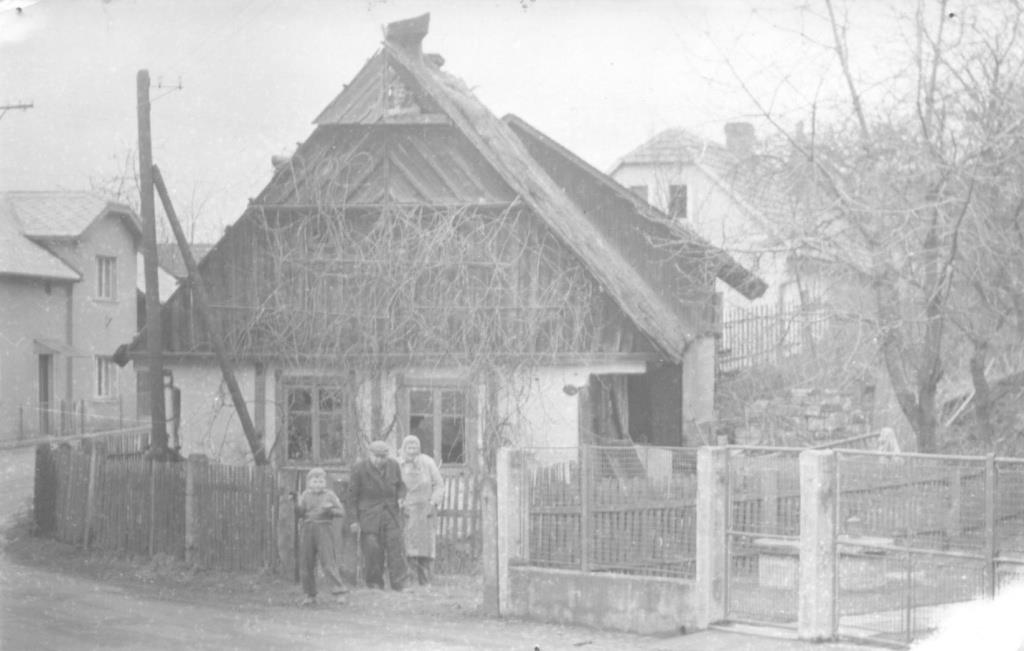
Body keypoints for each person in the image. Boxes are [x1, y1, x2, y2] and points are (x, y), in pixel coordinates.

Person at [347, 439, 407, 590]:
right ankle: (374, 584)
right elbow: (351, 497)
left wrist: (401, 497)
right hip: (369, 515)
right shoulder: (359, 468)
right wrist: (353, 520)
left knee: (395, 547)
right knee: (372, 549)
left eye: (383, 457)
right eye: (377, 457)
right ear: (370, 455)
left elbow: (400, 486)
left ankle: (399, 584)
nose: (380, 460)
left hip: (390, 513)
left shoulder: (394, 465)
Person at [293, 467, 349, 606]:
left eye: (320, 481)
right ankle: (310, 595)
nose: (318, 484)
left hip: (324, 528)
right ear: (309, 483)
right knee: (306, 563)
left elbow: (341, 512)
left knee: (328, 562)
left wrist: (329, 510)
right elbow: (300, 513)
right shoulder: (305, 495)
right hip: (308, 529)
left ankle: (339, 592)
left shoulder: (330, 495)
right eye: (315, 481)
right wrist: (296, 502)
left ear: (325, 482)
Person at [399, 435, 445, 586]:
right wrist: (399, 502)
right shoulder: (398, 464)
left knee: (426, 545)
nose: (412, 451)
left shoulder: (428, 462)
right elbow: (394, 485)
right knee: (408, 544)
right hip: (407, 511)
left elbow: (439, 484)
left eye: (415, 447)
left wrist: (433, 502)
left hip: (426, 511)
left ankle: (425, 581)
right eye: (409, 447)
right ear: (404, 448)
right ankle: (410, 580)